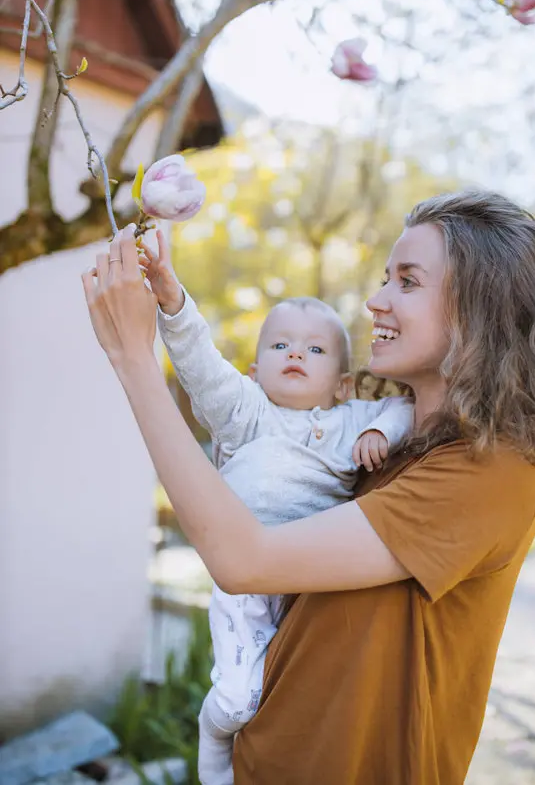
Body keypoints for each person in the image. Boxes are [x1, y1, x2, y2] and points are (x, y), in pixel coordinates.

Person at [82, 191, 535, 784]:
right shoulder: (378, 447)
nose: (375, 301)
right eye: (385, 278)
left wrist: (134, 358)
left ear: (485, 311)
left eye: (407, 282)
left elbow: (243, 559)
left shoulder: (494, 471)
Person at [137, 232, 413, 785]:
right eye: (280, 345)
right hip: (243, 581)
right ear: (255, 368)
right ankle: (215, 740)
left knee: (290, 695)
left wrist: (381, 428)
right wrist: (172, 300)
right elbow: (199, 362)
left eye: (314, 350)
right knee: (238, 701)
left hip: (309, 584)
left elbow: (407, 408)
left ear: (339, 385)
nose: (294, 354)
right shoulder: (245, 414)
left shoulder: (349, 420)